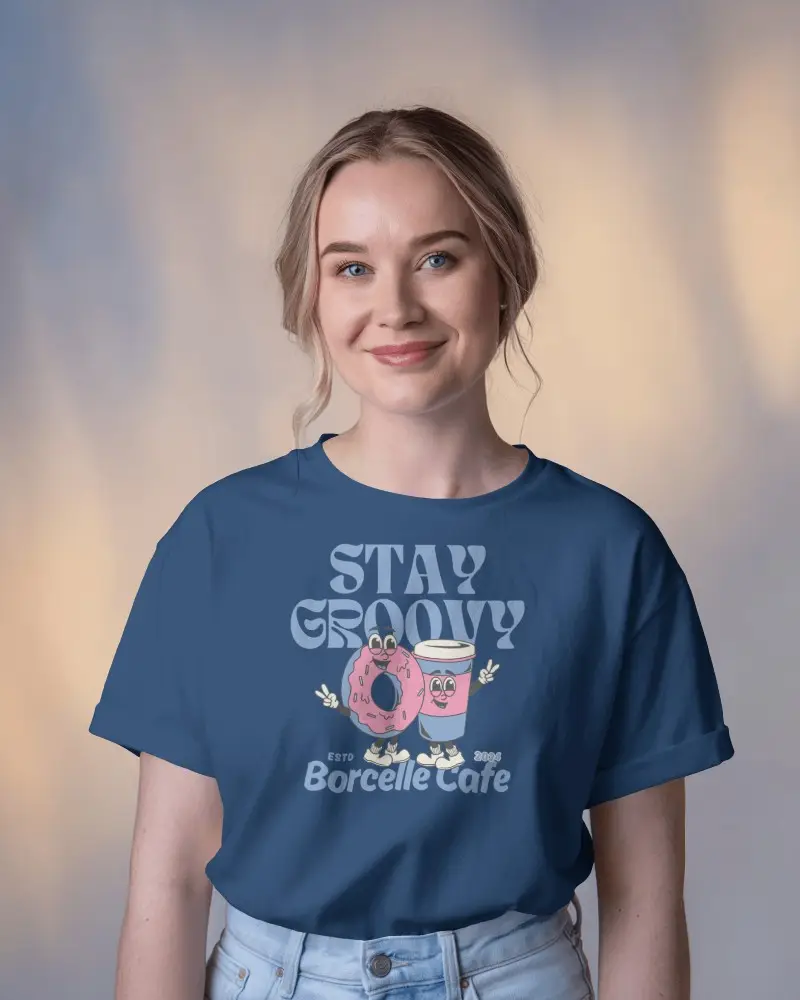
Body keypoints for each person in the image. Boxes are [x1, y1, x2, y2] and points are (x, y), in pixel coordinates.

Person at [89, 105, 734, 1000]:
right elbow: (167, 878)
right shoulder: (219, 539)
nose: (395, 307)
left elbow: (647, 897)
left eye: (438, 257)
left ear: (502, 270)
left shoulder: (611, 554)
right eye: (351, 267)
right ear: (311, 295)